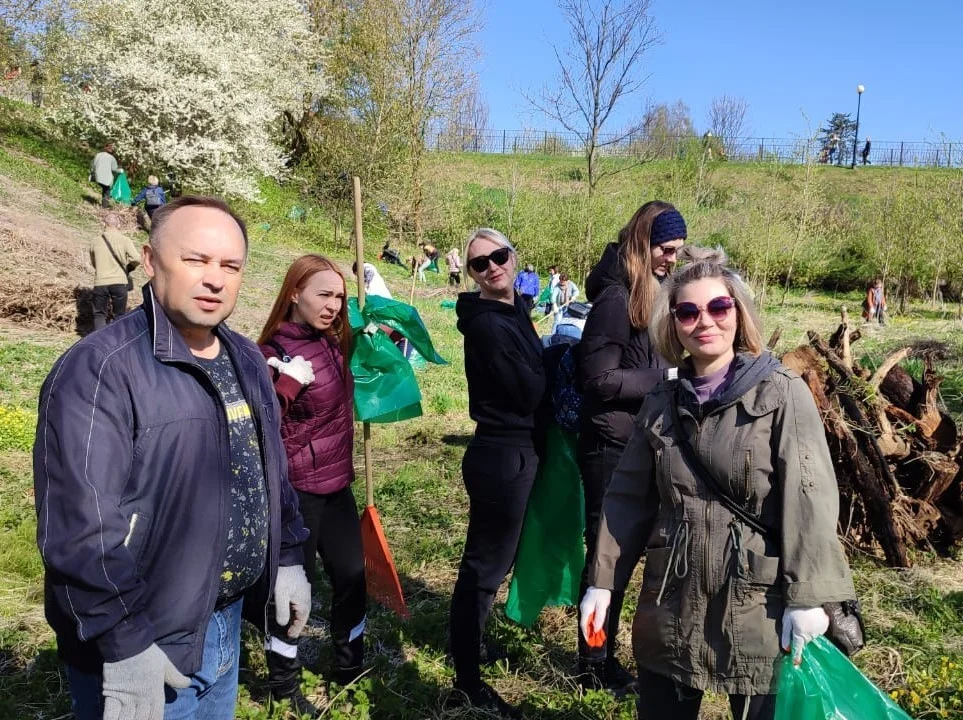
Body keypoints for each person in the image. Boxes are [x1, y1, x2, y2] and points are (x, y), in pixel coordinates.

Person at [34, 195, 312, 720]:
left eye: (230, 265)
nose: (215, 279)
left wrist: (288, 556)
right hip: (145, 641)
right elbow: (80, 531)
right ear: (149, 259)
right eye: (195, 260)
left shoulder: (247, 357)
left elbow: (270, 470)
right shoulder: (100, 371)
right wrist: (126, 644)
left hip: (223, 622)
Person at [581, 248, 856, 720]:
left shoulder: (781, 392)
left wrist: (809, 597)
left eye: (718, 307)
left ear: (738, 313)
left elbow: (809, 499)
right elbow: (627, 497)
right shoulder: (661, 401)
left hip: (758, 603)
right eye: (687, 311)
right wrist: (603, 582)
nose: (703, 321)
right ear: (672, 324)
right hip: (672, 599)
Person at [574, 200, 686, 690]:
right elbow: (597, 379)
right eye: (666, 249)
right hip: (608, 447)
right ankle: (593, 666)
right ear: (643, 242)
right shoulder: (615, 300)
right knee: (605, 559)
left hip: (636, 444)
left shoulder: (648, 291)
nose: (672, 259)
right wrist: (669, 377)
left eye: (678, 251)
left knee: (622, 558)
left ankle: (603, 656)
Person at [258, 256, 367, 715]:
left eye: (339, 296)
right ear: (294, 294)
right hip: (296, 492)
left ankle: (349, 668)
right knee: (294, 591)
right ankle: (283, 685)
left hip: (337, 483)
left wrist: (370, 334)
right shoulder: (268, 353)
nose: (333, 305)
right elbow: (258, 428)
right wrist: (283, 385)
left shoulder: (332, 343)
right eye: (323, 294)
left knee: (353, 577)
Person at [451, 228, 546, 718]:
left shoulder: (515, 310)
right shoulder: (489, 324)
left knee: (494, 562)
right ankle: (466, 678)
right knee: (483, 568)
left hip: (513, 449)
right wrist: (556, 365)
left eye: (499, 256)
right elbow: (529, 391)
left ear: (514, 256)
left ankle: (474, 646)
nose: (491, 267)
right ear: (472, 275)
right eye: (479, 264)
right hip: (501, 454)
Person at [89, 213, 140, 330]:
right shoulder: (125, 240)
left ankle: (100, 342)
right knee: (119, 315)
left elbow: (93, 262)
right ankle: (118, 341)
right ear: (119, 225)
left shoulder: (95, 241)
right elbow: (137, 258)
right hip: (119, 282)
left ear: (103, 224)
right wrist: (129, 268)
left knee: (99, 315)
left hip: (100, 282)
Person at [89, 143, 120, 208]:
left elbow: (92, 164)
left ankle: (103, 205)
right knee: (107, 191)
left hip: (96, 177)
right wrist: (120, 171)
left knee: (104, 189)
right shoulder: (112, 158)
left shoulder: (98, 155)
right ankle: (104, 207)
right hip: (106, 180)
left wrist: (92, 172)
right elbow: (114, 169)